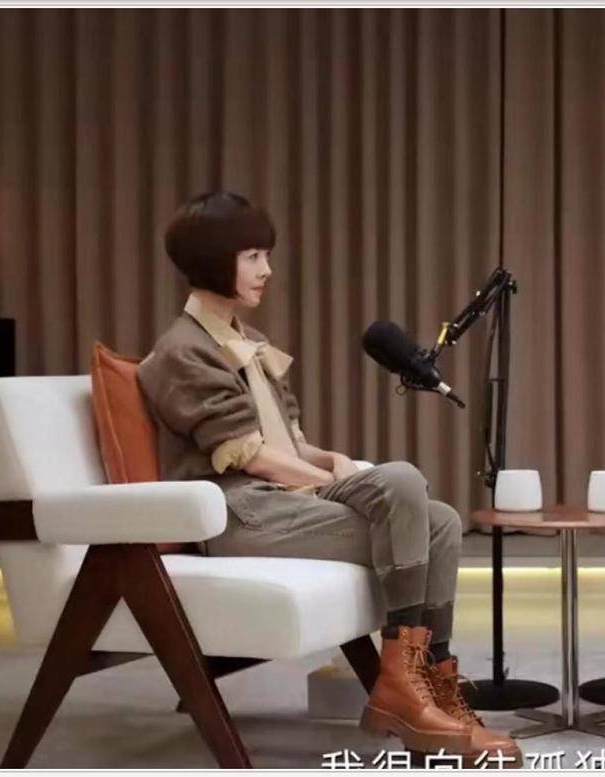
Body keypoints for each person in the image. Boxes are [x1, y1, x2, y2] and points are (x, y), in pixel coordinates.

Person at [137, 191, 520, 766]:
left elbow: (288, 447)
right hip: (245, 514)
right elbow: (249, 458)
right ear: (212, 260)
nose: (267, 270)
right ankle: (405, 688)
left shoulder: (251, 343)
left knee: (438, 518)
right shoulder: (181, 351)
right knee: (402, 483)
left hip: (286, 500)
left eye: (266, 255)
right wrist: (328, 480)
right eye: (252, 256)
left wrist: (333, 461)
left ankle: (432, 685)